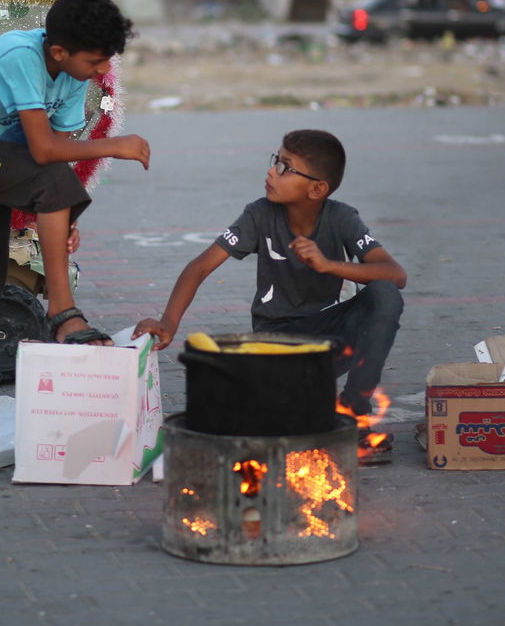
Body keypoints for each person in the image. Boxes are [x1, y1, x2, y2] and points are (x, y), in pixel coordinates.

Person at [0, 0, 152, 403]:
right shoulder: (20, 57)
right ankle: (61, 309)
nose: (100, 71)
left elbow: (51, 163)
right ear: (59, 51)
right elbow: (45, 151)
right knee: (48, 188)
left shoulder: (73, 77)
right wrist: (115, 145)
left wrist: (65, 219)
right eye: (94, 61)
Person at [134, 129, 407, 462]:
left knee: (384, 293)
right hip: (275, 349)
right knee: (270, 428)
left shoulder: (342, 218)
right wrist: (168, 321)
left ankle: (354, 411)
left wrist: (328, 265)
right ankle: (297, 409)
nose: (271, 171)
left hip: (324, 346)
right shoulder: (259, 215)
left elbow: (396, 274)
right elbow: (199, 267)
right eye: (276, 160)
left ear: (317, 188)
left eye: (285, 167)